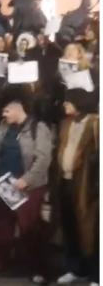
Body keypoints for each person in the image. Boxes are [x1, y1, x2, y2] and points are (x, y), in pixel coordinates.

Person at [0, 97, 53, 284]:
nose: (3, 115)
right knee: (2, 226)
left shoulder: (39, 128)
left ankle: (37, 268)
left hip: (28, 187)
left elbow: (43, 158)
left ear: (18, 109)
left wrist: (27, 179)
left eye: (6, 111)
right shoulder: (4, 126)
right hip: (4, 183)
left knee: (29, 228)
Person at [52, 89, 99, 285]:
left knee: (92, 232)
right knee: (70, 228)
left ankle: (96, 273)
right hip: (65, 182)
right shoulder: (66, 123)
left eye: (68, 101)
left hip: (87, 186)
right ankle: (75, 268)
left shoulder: (96, 123)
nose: (65, 104)